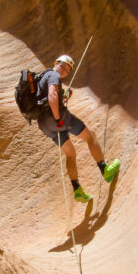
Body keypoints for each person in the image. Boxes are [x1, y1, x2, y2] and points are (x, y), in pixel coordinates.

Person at [37, 54, 120, 202]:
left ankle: (77, 191)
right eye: (62, 66)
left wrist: (64, 98)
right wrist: (58, 119)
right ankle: (105, 170)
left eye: (68, 70)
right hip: (58, 119)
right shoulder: (53, 74)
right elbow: (51, 95)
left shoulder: (44, 78)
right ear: (55, 63)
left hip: (45, 125)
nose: (64, 71)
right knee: (90, 136)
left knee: (70, 153)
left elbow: (48, 99)